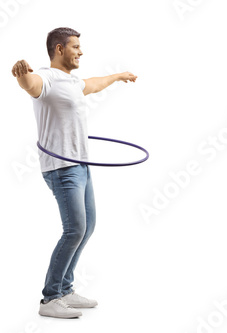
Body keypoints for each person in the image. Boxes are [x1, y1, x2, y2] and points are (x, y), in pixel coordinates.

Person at [12, 27, 137, 319]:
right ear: (59, 49)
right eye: (76, 47)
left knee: (87, 227)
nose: (81, 52)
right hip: (61, 168)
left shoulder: (71, 81)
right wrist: (21, 75)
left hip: (81, 165)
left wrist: (119, 76)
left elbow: (93, 84)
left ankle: (66, 289)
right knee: (74, 230)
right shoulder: (47, 77)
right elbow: (31, 85)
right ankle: (50, 298)